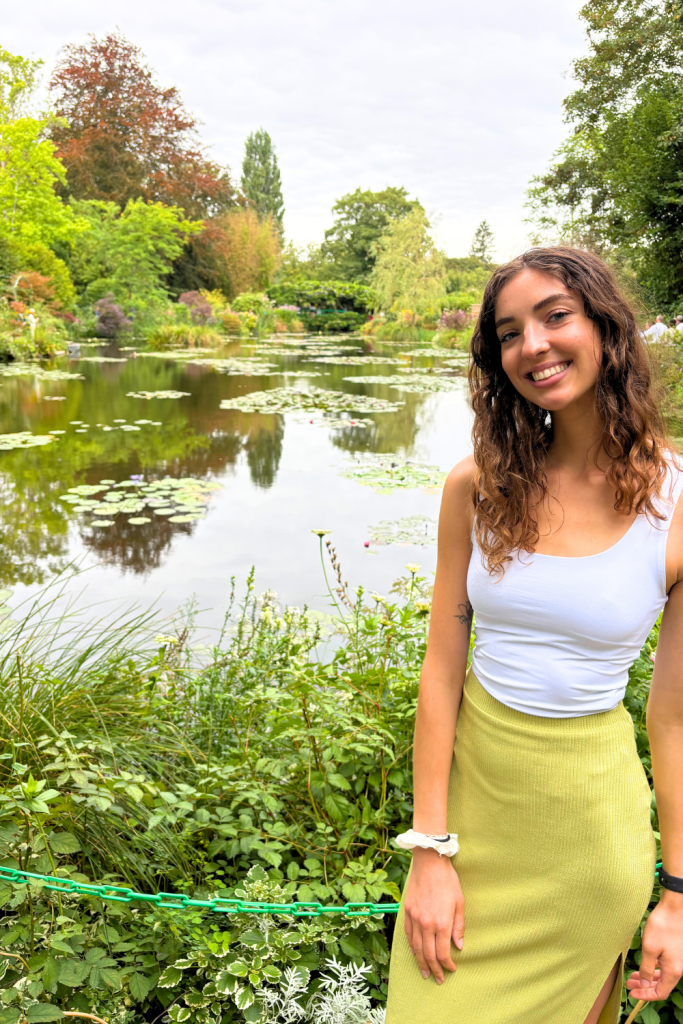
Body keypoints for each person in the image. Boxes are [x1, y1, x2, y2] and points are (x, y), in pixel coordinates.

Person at [386, 247, 683, 1024]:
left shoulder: (679, 503)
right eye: (509, 333)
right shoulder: (476, 486)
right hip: (474, 822)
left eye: (555, 316)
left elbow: (674, 718)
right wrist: (429, 851)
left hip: (590, 844)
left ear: (605, 328)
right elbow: (441, 673)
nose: (533, 346)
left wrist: (677, 897)